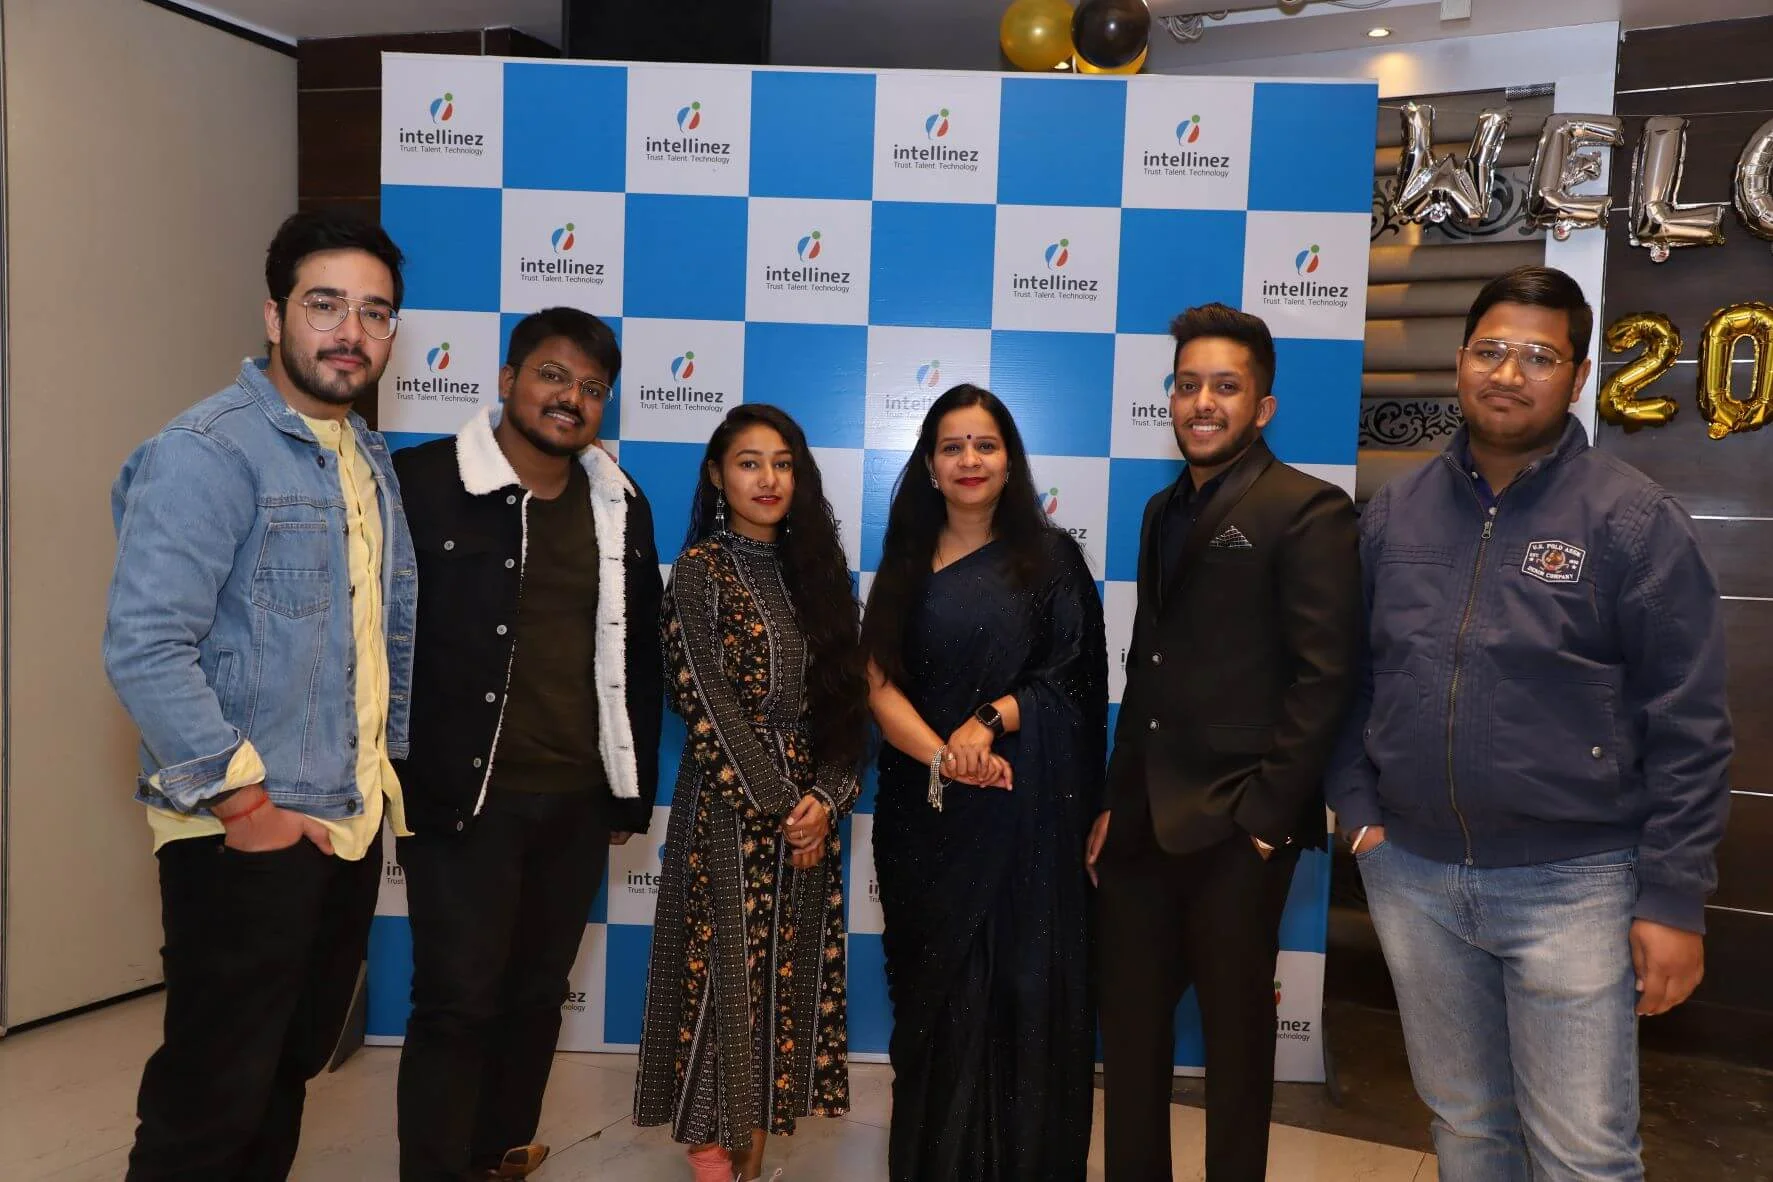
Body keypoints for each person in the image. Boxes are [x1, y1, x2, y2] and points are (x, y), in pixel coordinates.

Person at [1327, 266, 1732, 1181]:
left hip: (1574, 884)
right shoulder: (1393, 513)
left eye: (1539, 357)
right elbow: (1351, 677)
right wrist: (1357, 812)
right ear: (1459, 361)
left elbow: (1690, 723)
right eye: (1491, 351)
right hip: (1411, 875)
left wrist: (1672, 899)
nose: (1509, 373)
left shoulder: (1632, 521)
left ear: (1578, 377)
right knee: (1468, 1129)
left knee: (1581, 1155)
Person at [103, 210, 413, 1180]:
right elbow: (146, 645)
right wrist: (247, 808)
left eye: (374, 312)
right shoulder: (210, 449)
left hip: (342, 826)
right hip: (243, 832)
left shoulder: (364, 456)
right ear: (274, 316)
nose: (350, 332)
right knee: (209, 1105)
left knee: (282, 1079)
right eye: (325, 305)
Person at [390, 307, 664, 1181]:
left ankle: (498, 1154)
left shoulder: (619, 503)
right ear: (507, 380)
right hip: (461, 793)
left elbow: (638, 654)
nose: (570, 397)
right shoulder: (420, 482)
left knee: (537, 995)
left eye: (592, 388)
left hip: (575, 795)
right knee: (456, 1000)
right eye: (552, 375)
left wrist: (627, 792)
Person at [1090, 304, 1361, 1181]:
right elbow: (1149, 670)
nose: (1201, 402)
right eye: (1186, 384)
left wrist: (1265, 823)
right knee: (1129, 1040)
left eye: (1224, 386)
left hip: (1238, 829)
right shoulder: (1159, 509)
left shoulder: (1307, 509)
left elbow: (1324, 677)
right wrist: (1113, 802)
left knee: (1238, 1051)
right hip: (1141, 827)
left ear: (1262, 406)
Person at [863, 383, 1106, 1182]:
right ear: (929, 465)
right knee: (933, 1001)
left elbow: (1073, 682)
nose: (969, 459)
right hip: (923, 815)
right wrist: (944, 756)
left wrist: (990, 720)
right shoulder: (903, 563)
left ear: (1009, 461)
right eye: (951, 446)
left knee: (1021, 994)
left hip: (1025, 816)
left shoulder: (1052, 560)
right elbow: (876, 685)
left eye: (985, 445)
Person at [634, 405, 869, 1182]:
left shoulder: (820, 576)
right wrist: (778, 809)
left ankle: (750, 1159)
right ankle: (711, 1151)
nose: (768, 478)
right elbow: (701, 699)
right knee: (725, 982)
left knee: (781, 989)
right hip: (728, 804)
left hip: (809, 811)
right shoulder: (699, 570)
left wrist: (826, 800)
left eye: (782, 463)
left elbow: (848, 706)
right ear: (715, 475)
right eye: (748, 462)